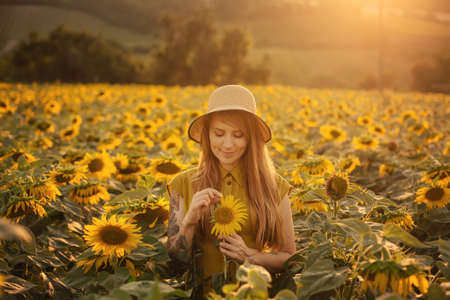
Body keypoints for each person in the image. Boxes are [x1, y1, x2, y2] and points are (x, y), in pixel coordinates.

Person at [166, 85, 296, 297]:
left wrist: (251, 256)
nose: (227, 144)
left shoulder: (275, 187)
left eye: (238, 135)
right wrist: (189, 222)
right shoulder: (183, 184)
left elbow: (290, 258)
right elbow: (174, 263)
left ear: (251, 139)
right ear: (207, 135)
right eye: (219, 133)